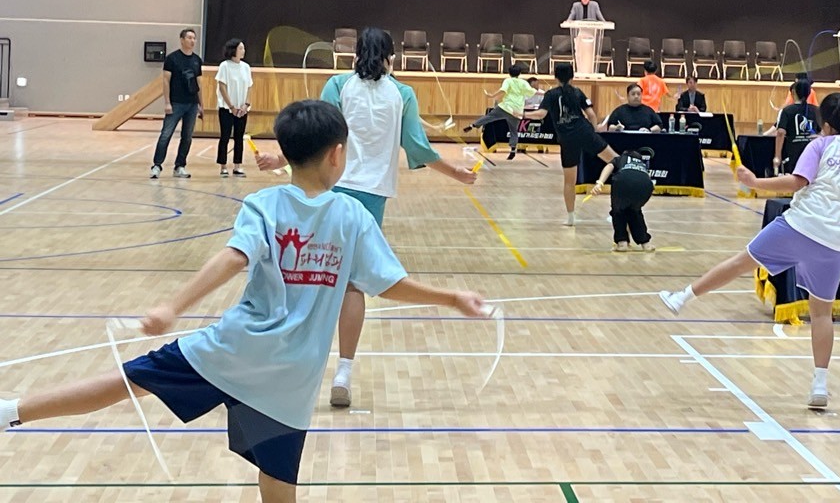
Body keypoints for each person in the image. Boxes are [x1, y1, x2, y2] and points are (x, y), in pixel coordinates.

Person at [0, 99, 487, 503]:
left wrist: (174, 305)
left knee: (128, 381)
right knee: (278, 482)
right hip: (292, 376)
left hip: (234, 350)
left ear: (288, 152)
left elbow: (234, 257)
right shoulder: (354, 216)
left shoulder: (265, 204)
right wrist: (452, 297)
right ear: (338, 154)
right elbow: (387, 282)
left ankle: (13, 410)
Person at [659, 92, 840, 408]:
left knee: (740, 263)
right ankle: (820, 385)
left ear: (826, 124)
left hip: (797, 227)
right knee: (821, 314)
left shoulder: (820, 145)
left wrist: (754, 182)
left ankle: (682, 297)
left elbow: (795, 183)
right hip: (833, 244)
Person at [256, 27, 477, 409]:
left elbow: (315, 136)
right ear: (392, 56)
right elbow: (417, 146)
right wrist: (455, 172)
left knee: (308, 275)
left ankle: (286, 362)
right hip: (372, 196)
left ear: (355, 53)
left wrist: (280, 159)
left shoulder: (338, 85)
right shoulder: (402, 94)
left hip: (331, 188)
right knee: (353, 284)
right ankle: (343, 371)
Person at [522, 62, 620, 226]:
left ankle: (570, 218)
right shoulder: (577, 92)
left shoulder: (550, 94)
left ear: (555, 77)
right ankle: (633, 186)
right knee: (617, 160)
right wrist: (594, 132)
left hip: (567, 139)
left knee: (569, 181)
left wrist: (522, 114)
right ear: (572, 76)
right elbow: (591, 115)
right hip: (585, 132)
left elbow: (540, 115)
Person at [150, 27, 204, 180]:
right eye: (189, 38)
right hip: (176, 103)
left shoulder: (196, 60)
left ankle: (180, 166)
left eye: (194, 38)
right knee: (166, 135)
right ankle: (157, 165)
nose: (192, 41)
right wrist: (167, 102)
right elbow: (166, 81)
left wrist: (201, 104)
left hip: (192, 104)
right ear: (182, 40)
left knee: (187, 137)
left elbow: (199, 84)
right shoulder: (172, 59)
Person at [464, 64, 540, 160]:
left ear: (509, 73)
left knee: (489, 117)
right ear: (519, 73)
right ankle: (513, 149)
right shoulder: (523, 82)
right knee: (514, 131)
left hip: (506, 108)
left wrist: (492, 95)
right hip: (517, 111)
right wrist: (546, 93)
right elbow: (534, 91)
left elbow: (503, 90)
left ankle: (473, 125)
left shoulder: (508, 81)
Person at [592, 149, 656, 252]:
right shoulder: (642, 164)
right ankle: (646, 243)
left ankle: (622, 242)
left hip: (623, 182)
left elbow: (609, 166)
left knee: (618, 211)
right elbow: (647, 178)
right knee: (635, 212)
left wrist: (599, 183)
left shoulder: (620, 159)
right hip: (646, 186)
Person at [216, 38, 253, 178]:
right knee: (225, 137)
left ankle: (237, 166)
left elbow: (249, 86)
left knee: (239, 137)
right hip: (227, 108)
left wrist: (246, 104)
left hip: (242, 109)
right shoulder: (224, 66)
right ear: (233, 50)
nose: (243, 51)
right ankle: (223, 166)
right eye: (240, 48)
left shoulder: (246, 67)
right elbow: (222, 86)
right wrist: (231, 106)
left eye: (243, 48)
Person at [767, 78, 819, 174]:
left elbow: (780, 132)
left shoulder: (787, 111)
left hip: (794, 152)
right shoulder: (817, 110)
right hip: (813, 151)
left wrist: (777, 156)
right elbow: (823, 131)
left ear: (793, 92)